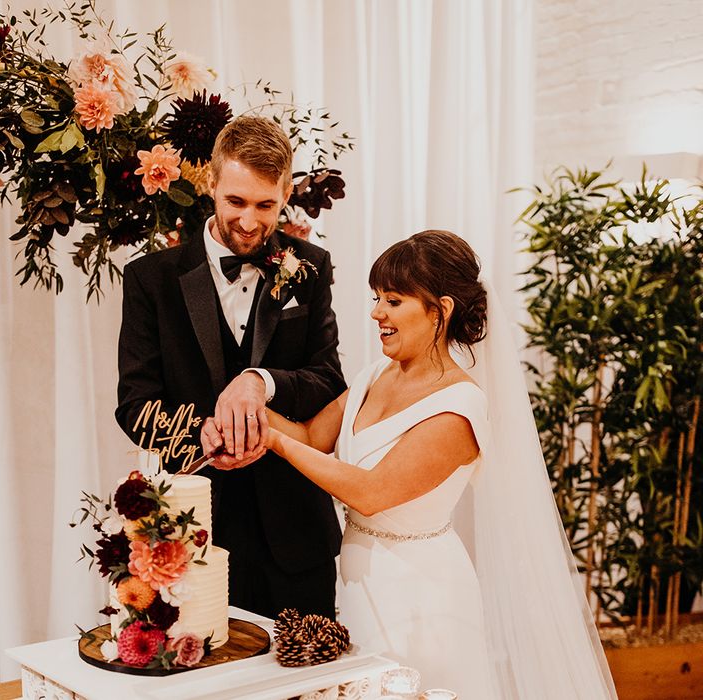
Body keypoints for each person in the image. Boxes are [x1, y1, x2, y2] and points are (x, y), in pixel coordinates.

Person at [203, 230, 618, 698]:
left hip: (423, 596)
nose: (377, 312)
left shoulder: (460, 407)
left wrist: (273, 441)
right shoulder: (376, 373)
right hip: (360, 584)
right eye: (377, 298)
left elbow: (370, 491)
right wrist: (245, 409)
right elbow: (313, 438)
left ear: (441, 310)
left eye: (394, 301)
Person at [115, 116, 346, 620]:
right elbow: (134, 404)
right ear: (212, 185)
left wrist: (260, 382)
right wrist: (202, 435)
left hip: (297, 537)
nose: (249, 221)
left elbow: (328, 380)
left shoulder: (311, 267)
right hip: (196, 540)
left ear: (286, 192)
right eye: (236, 202)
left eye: (266, 205)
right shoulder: (149, 279)